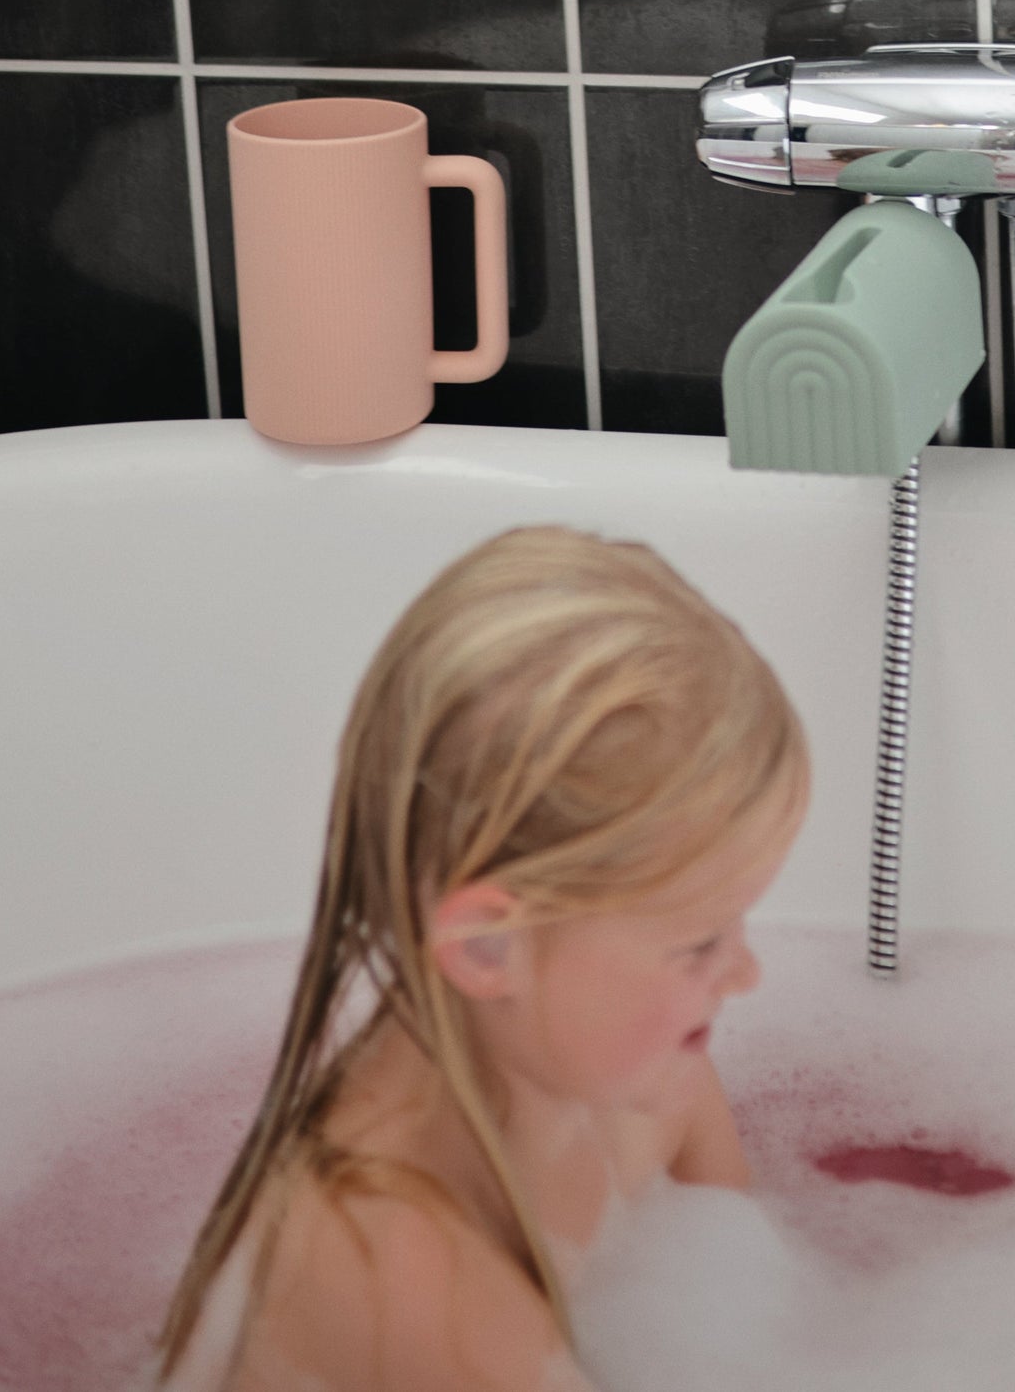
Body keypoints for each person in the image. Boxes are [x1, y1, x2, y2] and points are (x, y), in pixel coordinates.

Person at [155, 526, 809, 1391]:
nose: (743, 974)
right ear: (486, 947)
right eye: (699, 944)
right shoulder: (408, 1283)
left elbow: (738, 1241)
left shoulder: (629, 1074)